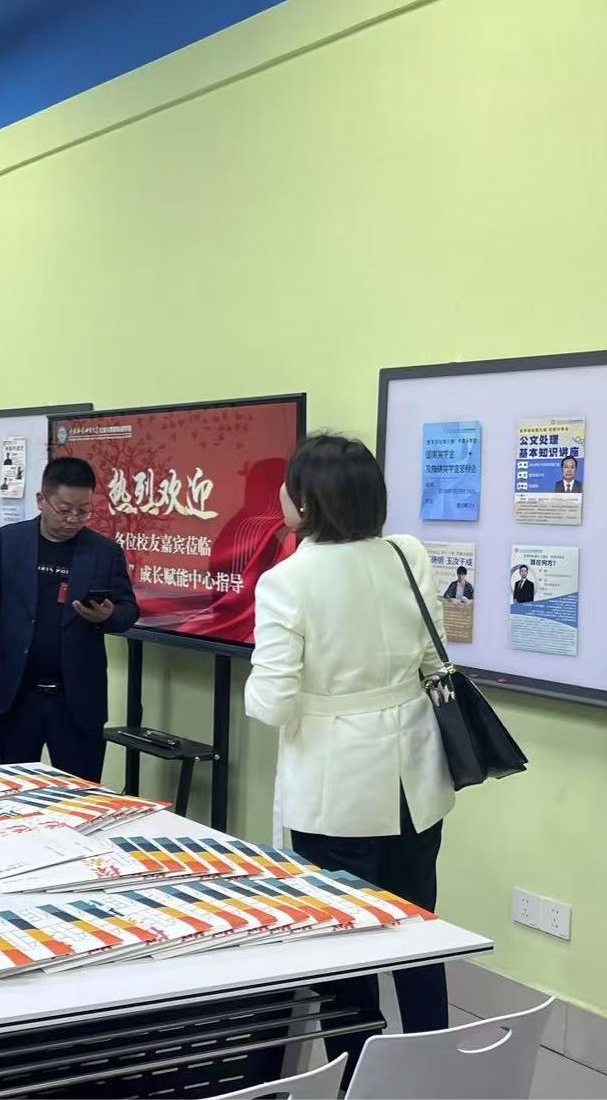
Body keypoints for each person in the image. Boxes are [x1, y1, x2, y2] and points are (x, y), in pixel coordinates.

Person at [242, 432, 455, 1083]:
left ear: (307, 502)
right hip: (414, 782)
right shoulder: (408, 555)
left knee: (345, 950)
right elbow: (435, 659)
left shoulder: (287, 581)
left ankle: (362, 1078)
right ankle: (433, 1072)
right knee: (418, 934)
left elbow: (271, 703)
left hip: (336, 794)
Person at [0, 457, 138, 782]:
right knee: (13, 789)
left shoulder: (104, 551)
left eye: (83, 511)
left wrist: (109, 615)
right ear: (41, 500)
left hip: (77, 700)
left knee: (78, 794)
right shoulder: (9, 541)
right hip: (17, 695)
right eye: (64, 509)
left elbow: (129, 610)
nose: (73, 519)